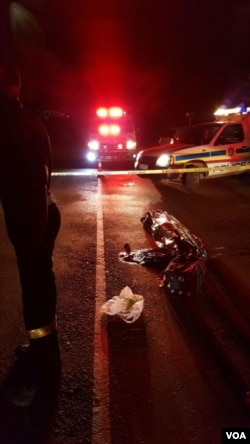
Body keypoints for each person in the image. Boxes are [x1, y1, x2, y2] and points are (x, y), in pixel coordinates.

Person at [0, 59, 61, 407]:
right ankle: (42, 350)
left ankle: (47, 367)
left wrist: (34, 234)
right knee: (41, 283)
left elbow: (29, 180)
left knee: (35, 288)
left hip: (33, 219)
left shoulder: (10, 121)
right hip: (44, 213)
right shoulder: (27, 118)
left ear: (10, 86)